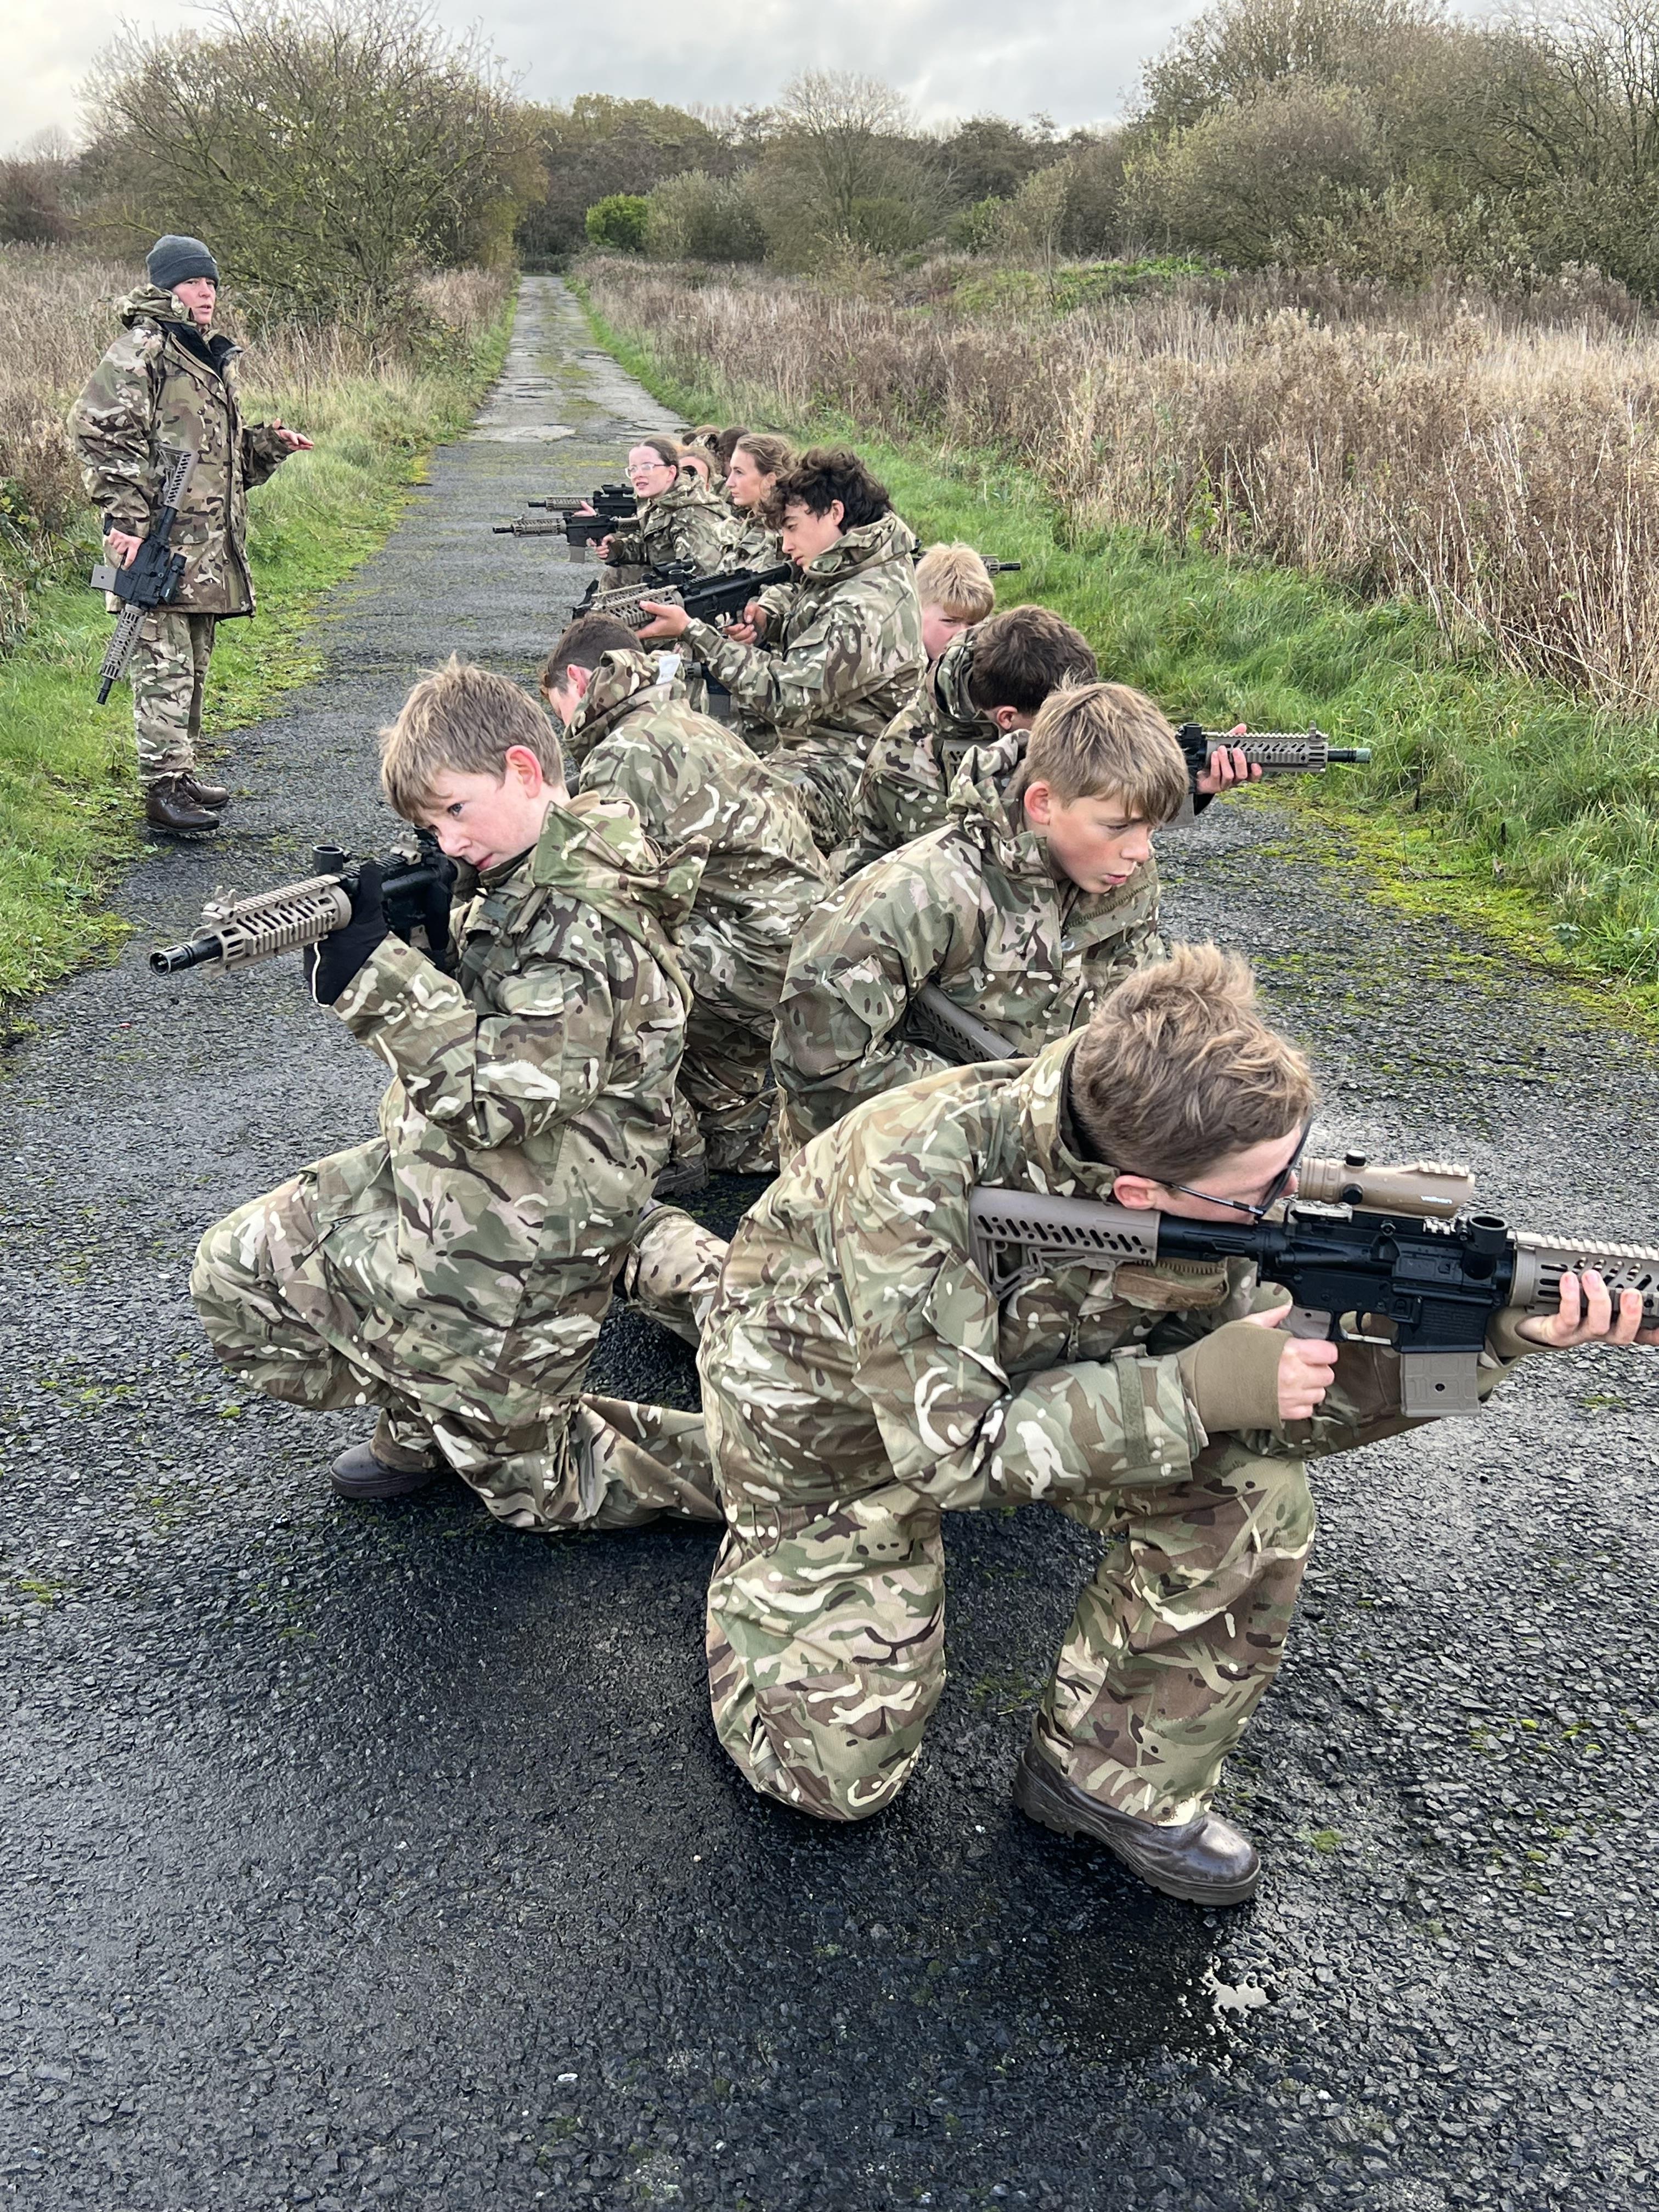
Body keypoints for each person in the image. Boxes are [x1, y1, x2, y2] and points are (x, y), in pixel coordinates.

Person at [691, 945, 1657, 1903]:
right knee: (832, 1779)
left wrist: (1487, 1344)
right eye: (1261, 1192)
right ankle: (751, 1533)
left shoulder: (1176, 1149)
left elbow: (1284, 1422)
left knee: (1251, 1497)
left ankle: (1104, 1780)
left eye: (1292, 1166)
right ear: (1138, 1196)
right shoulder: (907, 1175)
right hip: (824, 1418)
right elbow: (951, 1456)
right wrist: (1189, 1390)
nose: (1290, 1199)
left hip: (1032, 1383)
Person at [189, 659, 716, 1531]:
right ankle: (435, 1405)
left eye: (455, 812)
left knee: (540, 1492)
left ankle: (787, 1465)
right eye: (430, 827)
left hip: (549, 1208)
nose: (449, 843)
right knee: (239, 1274)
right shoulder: (513, 869)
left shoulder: (587, 918)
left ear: (522, 768)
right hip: (455, 1173)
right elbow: (484, 1018)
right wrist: (431, 946)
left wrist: (381, 978)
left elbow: (498, 1100)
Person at [772, 679, 1185, 1155]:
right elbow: (821, 1068)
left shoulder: (1123, 880)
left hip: (1043, 1142)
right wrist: (999, 1106)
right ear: (1043, 804)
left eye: (1153, 828)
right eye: (1118, 827)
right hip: (891, 1157)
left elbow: (1133, 1011)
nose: (1140, 850)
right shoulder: (921, 893)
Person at [540, 614, 827, 1183]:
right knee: (737, 1139)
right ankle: (759, 1129)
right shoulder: (678, 716)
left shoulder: (621, 754)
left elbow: (608, 896)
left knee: (610, 964)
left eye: (559, 709)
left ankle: (666, 1141)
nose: (564, 726)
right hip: (799, 936)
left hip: (759, 952)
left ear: (579, 679)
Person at [69, 233, 312, 836]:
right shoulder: (145, 348)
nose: (205, 292)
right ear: (165, 286)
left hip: (204, 547)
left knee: (193, 662)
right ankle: (160, 790)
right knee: (162, 664)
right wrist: (125, 520)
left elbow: (219, 462)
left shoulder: (201, 355)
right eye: (192, 282)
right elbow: (96, 430)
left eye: (211, 283)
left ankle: (179, 774)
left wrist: (269, 446)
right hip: (156, 543)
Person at [639, 446, 925, 853]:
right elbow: (801, 597)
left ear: (835, 513)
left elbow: (787, 697)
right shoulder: (850, 564)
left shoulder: (866, 606)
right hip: (813, 749)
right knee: (678, 762)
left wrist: (696, 633)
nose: (786, 544)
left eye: (792, 527)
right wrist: (765, 618)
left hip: (857, 771)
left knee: (717, 816)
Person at [840, 602, 1094, 881]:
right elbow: (974, 872)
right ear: (1007, 718)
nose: (1068, 728)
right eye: (1053, 720)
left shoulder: (1004, 658)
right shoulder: (904, 766)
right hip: (904, 886)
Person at [587, 437, 731, 579]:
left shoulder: (692, 513)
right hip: (674, 585)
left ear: (671, 472)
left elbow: (701, 579)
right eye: (633, 469)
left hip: (692, 595)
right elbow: (653, 552)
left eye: (647, 467)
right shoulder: (661, 503)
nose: (638, 475)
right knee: (615, 576)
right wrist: (616, 548)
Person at [719, 431, 794, 572]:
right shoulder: (754, 522)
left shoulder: (783, 535)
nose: (729, 483)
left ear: (770, 480)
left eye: (739, 472)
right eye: (732, 471)